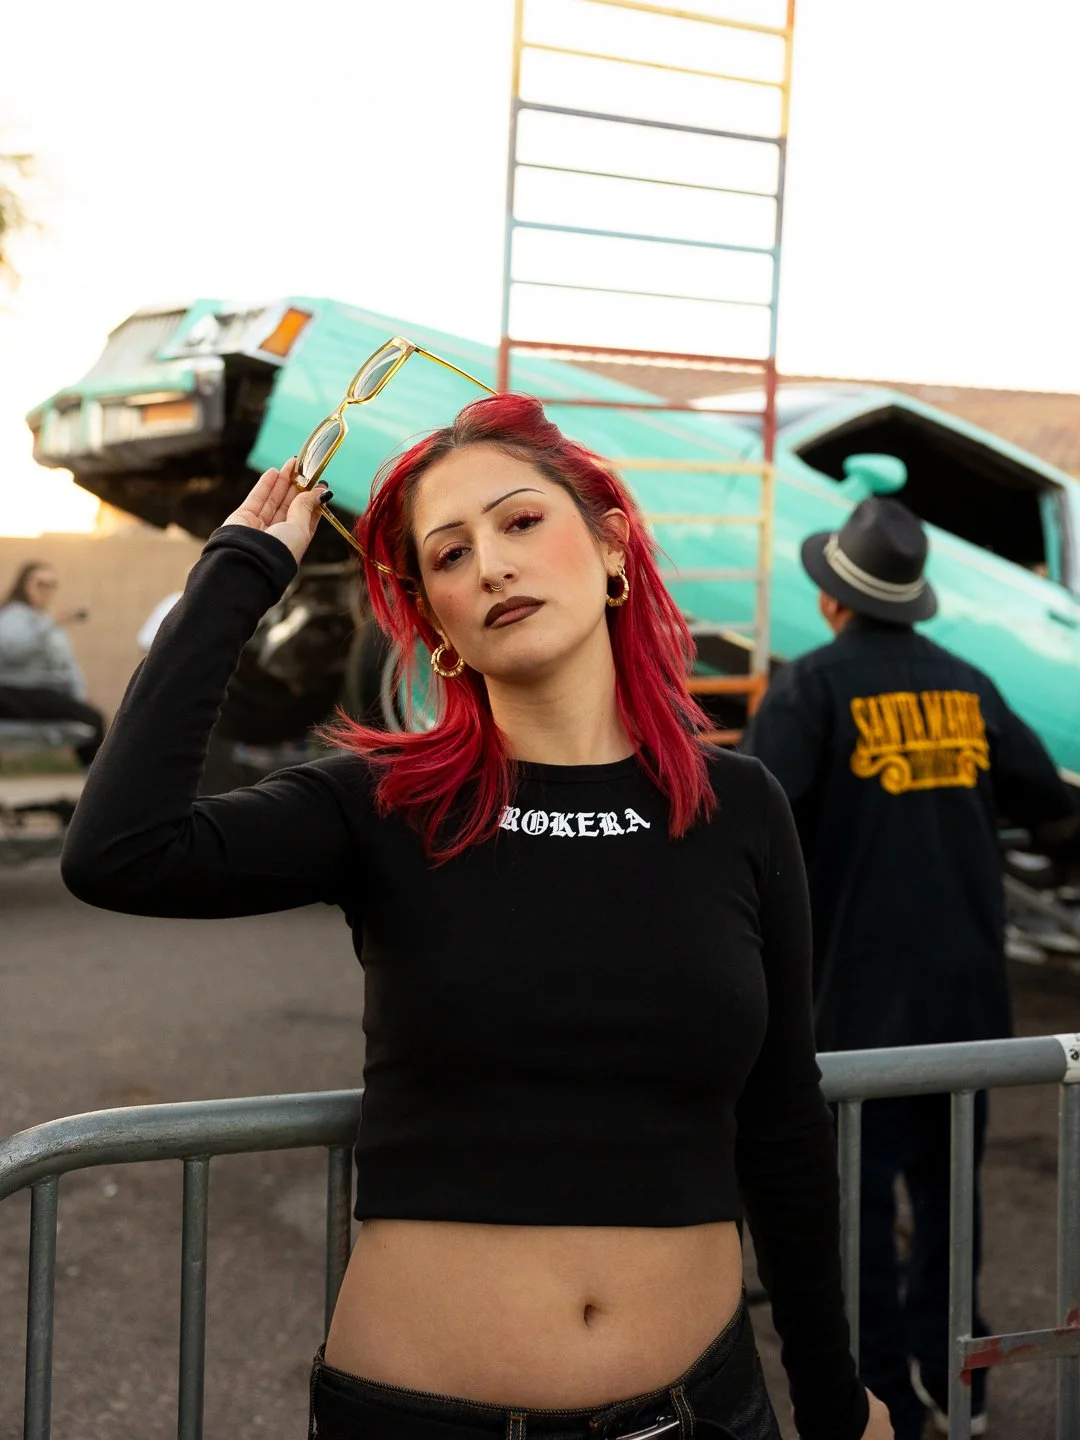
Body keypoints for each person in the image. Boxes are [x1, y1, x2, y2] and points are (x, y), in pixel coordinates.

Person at [61, 393, 891, 1440]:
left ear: (613, 546)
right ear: (435, 625)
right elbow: (121, 852)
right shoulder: (383, 803)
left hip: (707, 1410)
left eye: (521, 522)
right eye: (446, 557)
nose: (490, 565)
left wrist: (830, 1395)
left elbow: (781, 1126)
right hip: (426, 1417)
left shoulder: (740, 809)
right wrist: (240, 568)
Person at [743, 496, 1074, 1440]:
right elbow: (1049, 802)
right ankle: (957, 1385)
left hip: (855, 1011)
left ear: (835, 598)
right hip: (967, 1004)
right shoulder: (967, 685)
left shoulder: (809, 690)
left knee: (854, 1212)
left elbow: (756, 829)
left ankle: (882, 1397)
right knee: (947, 1203)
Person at [0, 560, 105, 767]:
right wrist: (49, 625)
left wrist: (79, 697)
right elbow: (12, 651)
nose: (46, 590)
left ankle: (97, 784)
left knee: (93, 718)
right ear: (24, 584)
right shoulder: (14, 614)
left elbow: (68, 665)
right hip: (15, 691)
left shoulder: (49, 620)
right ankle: (101, 786)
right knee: (93, 720)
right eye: (40, 584)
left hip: (47, 693)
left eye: (52, 584)